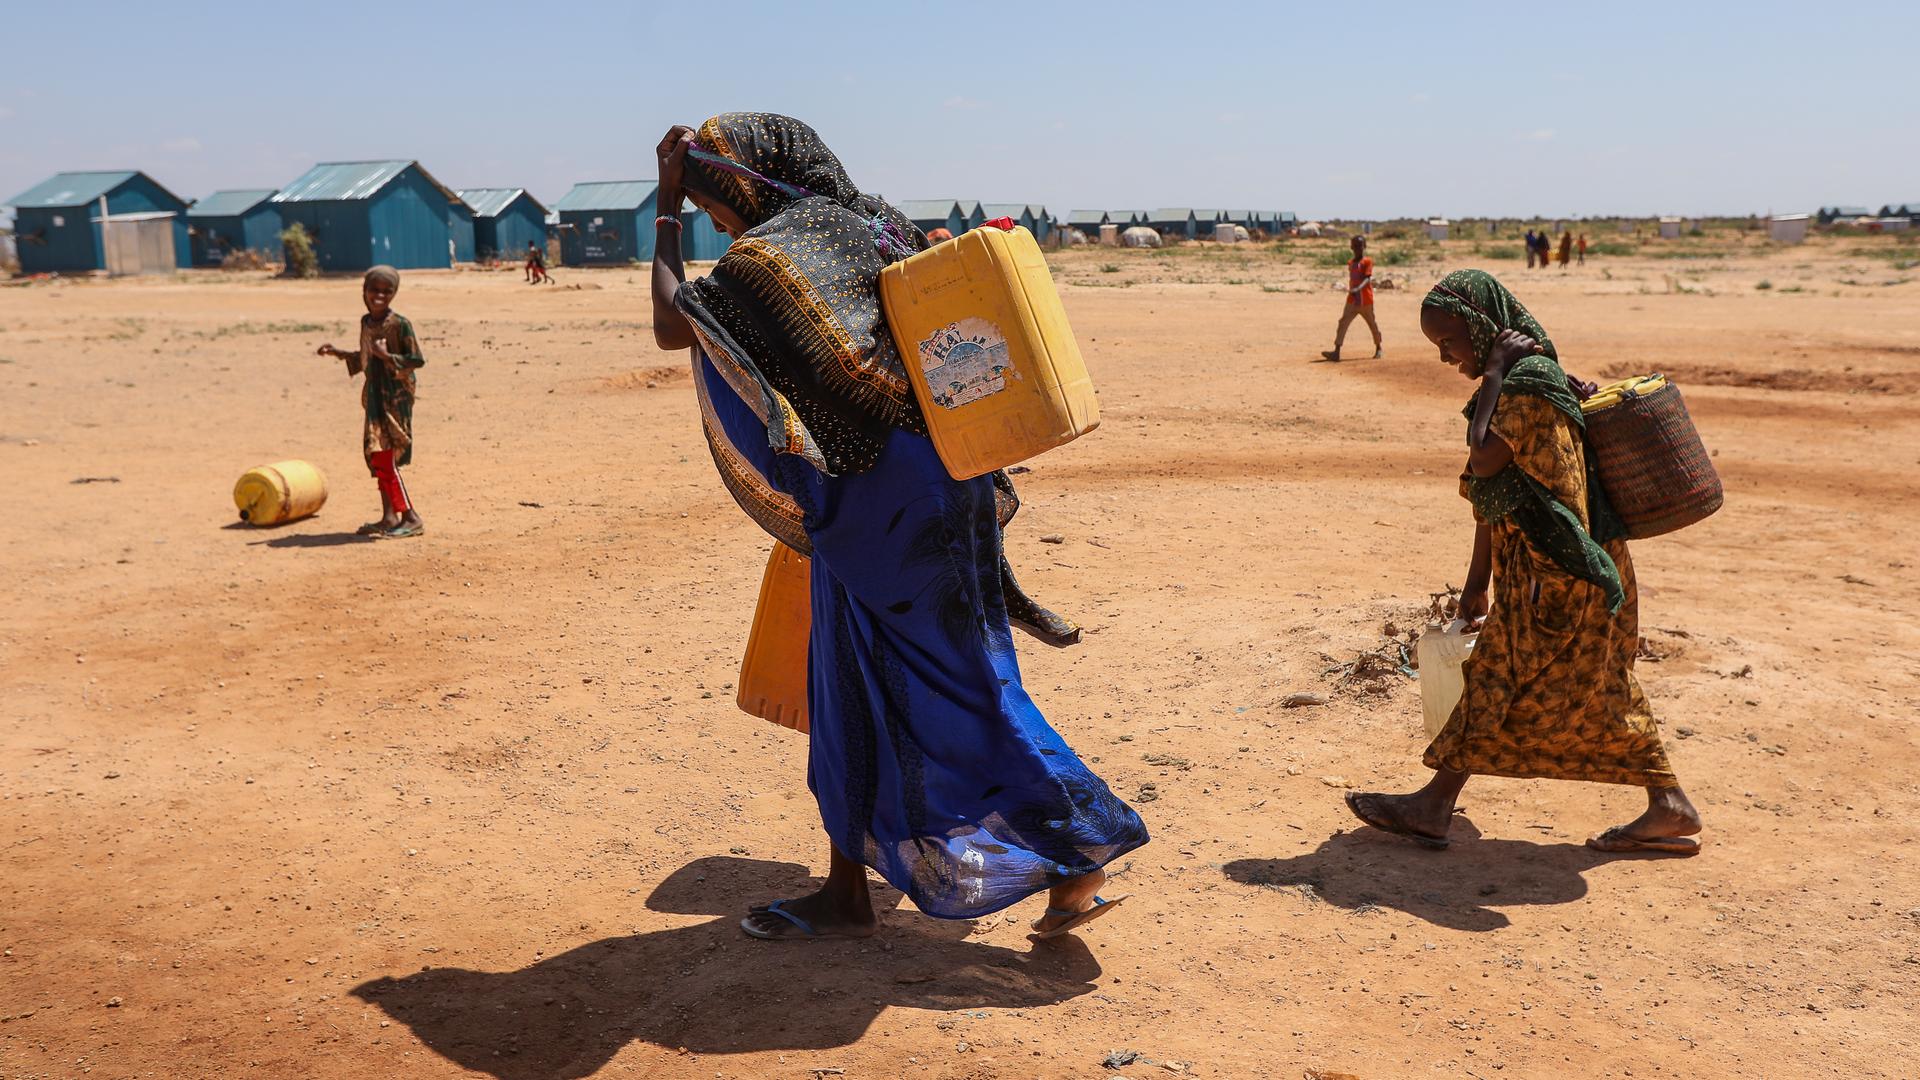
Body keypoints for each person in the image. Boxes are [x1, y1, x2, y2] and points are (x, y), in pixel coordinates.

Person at [647, 113, 1148, 941]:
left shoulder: (767, 260)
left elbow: (675, 324)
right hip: (934, 486)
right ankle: (846, 891)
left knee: (958, 682)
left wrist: (663, 208)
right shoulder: (876, 224)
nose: (716, 224)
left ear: (743, 184)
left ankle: (1082, 847)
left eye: (712, 206)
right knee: (848, 686)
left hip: (882, 507)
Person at [1343, 269, 1702, 855]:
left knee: (1500, 680)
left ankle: (1433, 807)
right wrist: (1476, 582)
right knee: (1596, 686)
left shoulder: (1527, 381)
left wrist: (1490, 376)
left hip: (1557, 573)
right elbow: (1503, 494)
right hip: (1563, 569)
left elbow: (1485, 462)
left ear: (1484, 329)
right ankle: (1669, 805)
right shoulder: (1535, 379)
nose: (1445, 357)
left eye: (1450, 343)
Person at [316, 266, 426, 538]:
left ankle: (410, 516)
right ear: (364, 291)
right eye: (374, 290)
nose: (379, 296)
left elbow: (416, 360)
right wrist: (339, 353)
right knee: (378, 456)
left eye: (386, 291)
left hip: (395, 398)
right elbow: (367, 358)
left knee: (387, 457)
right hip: (374, 395)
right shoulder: (366, 322)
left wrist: (388, 357)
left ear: (394, 294)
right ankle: (389, 517)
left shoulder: (400, 324)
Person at [1321, 234, 1382, 362]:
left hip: (1365, 300)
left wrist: (1358, 289)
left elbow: (1367, 278)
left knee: (1372, 324)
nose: (1357, 248)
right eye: (1355, 246)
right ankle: (1336, 351)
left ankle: (1378, 347)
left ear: (1364, 246)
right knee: (1343, 323)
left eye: (1360, 246)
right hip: (1352, 300)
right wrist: (1353, 290)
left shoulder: (1367, 262)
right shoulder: (1351, 263)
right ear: (1351, 247)